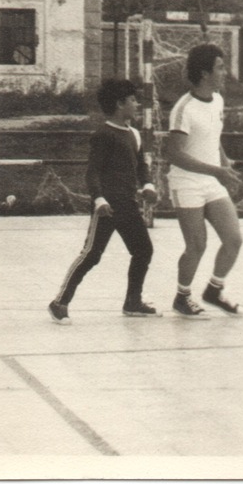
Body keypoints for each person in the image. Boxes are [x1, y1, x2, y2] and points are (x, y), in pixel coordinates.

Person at [48, 79, 160, 324]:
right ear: (120, 104)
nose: (137, 104)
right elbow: (93, 172)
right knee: (91, 254)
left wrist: (148, 186)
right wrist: (98, 199)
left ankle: (133, 302)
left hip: (128, 205)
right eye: (133, 100)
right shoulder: (103, 135)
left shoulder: (134, 134)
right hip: (107, 208)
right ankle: (59, 303)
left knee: (143, 250)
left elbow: (141, 166)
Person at [163, 44, 243, 319]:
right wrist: (216, 171)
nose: (225, 72)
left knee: (233, 239)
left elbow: (213, 137)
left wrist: (224, 163)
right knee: (197, 245)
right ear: (204, 73)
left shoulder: (218, 100)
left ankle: (214, 290)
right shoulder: (184, 109)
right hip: (186, 182)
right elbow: (174, 154)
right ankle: (182, 297)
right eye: (220, 67)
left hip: (211, 180)